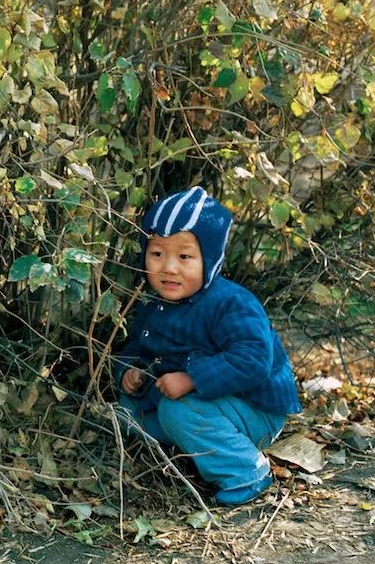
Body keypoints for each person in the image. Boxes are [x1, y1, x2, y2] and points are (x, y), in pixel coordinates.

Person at [115, 186, 301, 506]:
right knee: (128, 411)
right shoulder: (152, 304)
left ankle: (245, 470)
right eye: (157, 253)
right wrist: (129, 372)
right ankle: (196, 446)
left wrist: (190, 379)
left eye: (185, 256)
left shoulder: (230, 303)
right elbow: (138, 346)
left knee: (176, 410)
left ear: (210, 259)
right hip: (207, 406)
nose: (169, 267)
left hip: (254, 408)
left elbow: (253, 359)